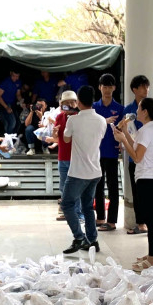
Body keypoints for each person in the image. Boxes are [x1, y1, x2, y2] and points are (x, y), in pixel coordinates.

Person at [113, 97, 153, 272]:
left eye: (139, 108)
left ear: (145, 112)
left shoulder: (147, 131)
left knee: (152, 220)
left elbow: (136, 157)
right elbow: (136, 144)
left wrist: (122, 139)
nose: (136, 111)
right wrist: (124, 133)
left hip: (147, 179)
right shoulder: (152, 129)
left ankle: (152, 258)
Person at [61, 86, 108, 254]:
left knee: (67, 204)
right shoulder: (102, 120)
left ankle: (79, 238)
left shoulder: (73, 120)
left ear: (78, 102)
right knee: (88, 207)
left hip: (78, 172)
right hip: (95, 171)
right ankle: (92, 240)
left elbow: (66, 139)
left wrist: (68, 121)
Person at [93, 73, 124, 232]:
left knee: (113, 188)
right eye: (104, 86)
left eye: (109, 86)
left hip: (112, 153)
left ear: (114, 88)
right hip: (96, 153)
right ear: (99, 88)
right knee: (97, 186)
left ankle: (112, 221)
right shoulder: (93, 108)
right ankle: (100, 218)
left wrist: (122, 142)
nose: (107, 90)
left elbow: (125, 130)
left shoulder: (120, 109)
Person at [123, 75, 151, 236]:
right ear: (135, 90)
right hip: (134, 154)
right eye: (142, 87)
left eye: (147, 87)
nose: (146, 90)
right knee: (136, 190)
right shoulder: (128, 110)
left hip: (149, 155)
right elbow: (124, 130)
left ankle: (148, 222)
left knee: (149, 191)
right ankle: (141, 223)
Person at [47, 90, 80, 222]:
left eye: (72, 102)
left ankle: (77, 212)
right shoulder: (60, 117)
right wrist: (54, 133)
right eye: (66, 103)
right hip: (63, 157)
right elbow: (56, 138)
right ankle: (67, 212)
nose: (69, 105)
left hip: (76, 157)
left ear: (76, 103)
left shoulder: (79, 116)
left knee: (76, 186)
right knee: (63, 186)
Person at [0, 69, 22, 136]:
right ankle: (8, 139)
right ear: (10, 73)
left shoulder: (18, 82)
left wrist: (22, 102)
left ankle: (12, 138)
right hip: (4, 104)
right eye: (14, 76)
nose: (15, 78)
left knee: (18, 122)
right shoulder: (5, 82)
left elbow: (18, 94)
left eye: (17, 76)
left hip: (12, 104)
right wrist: (6, 107)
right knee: (12, 122)